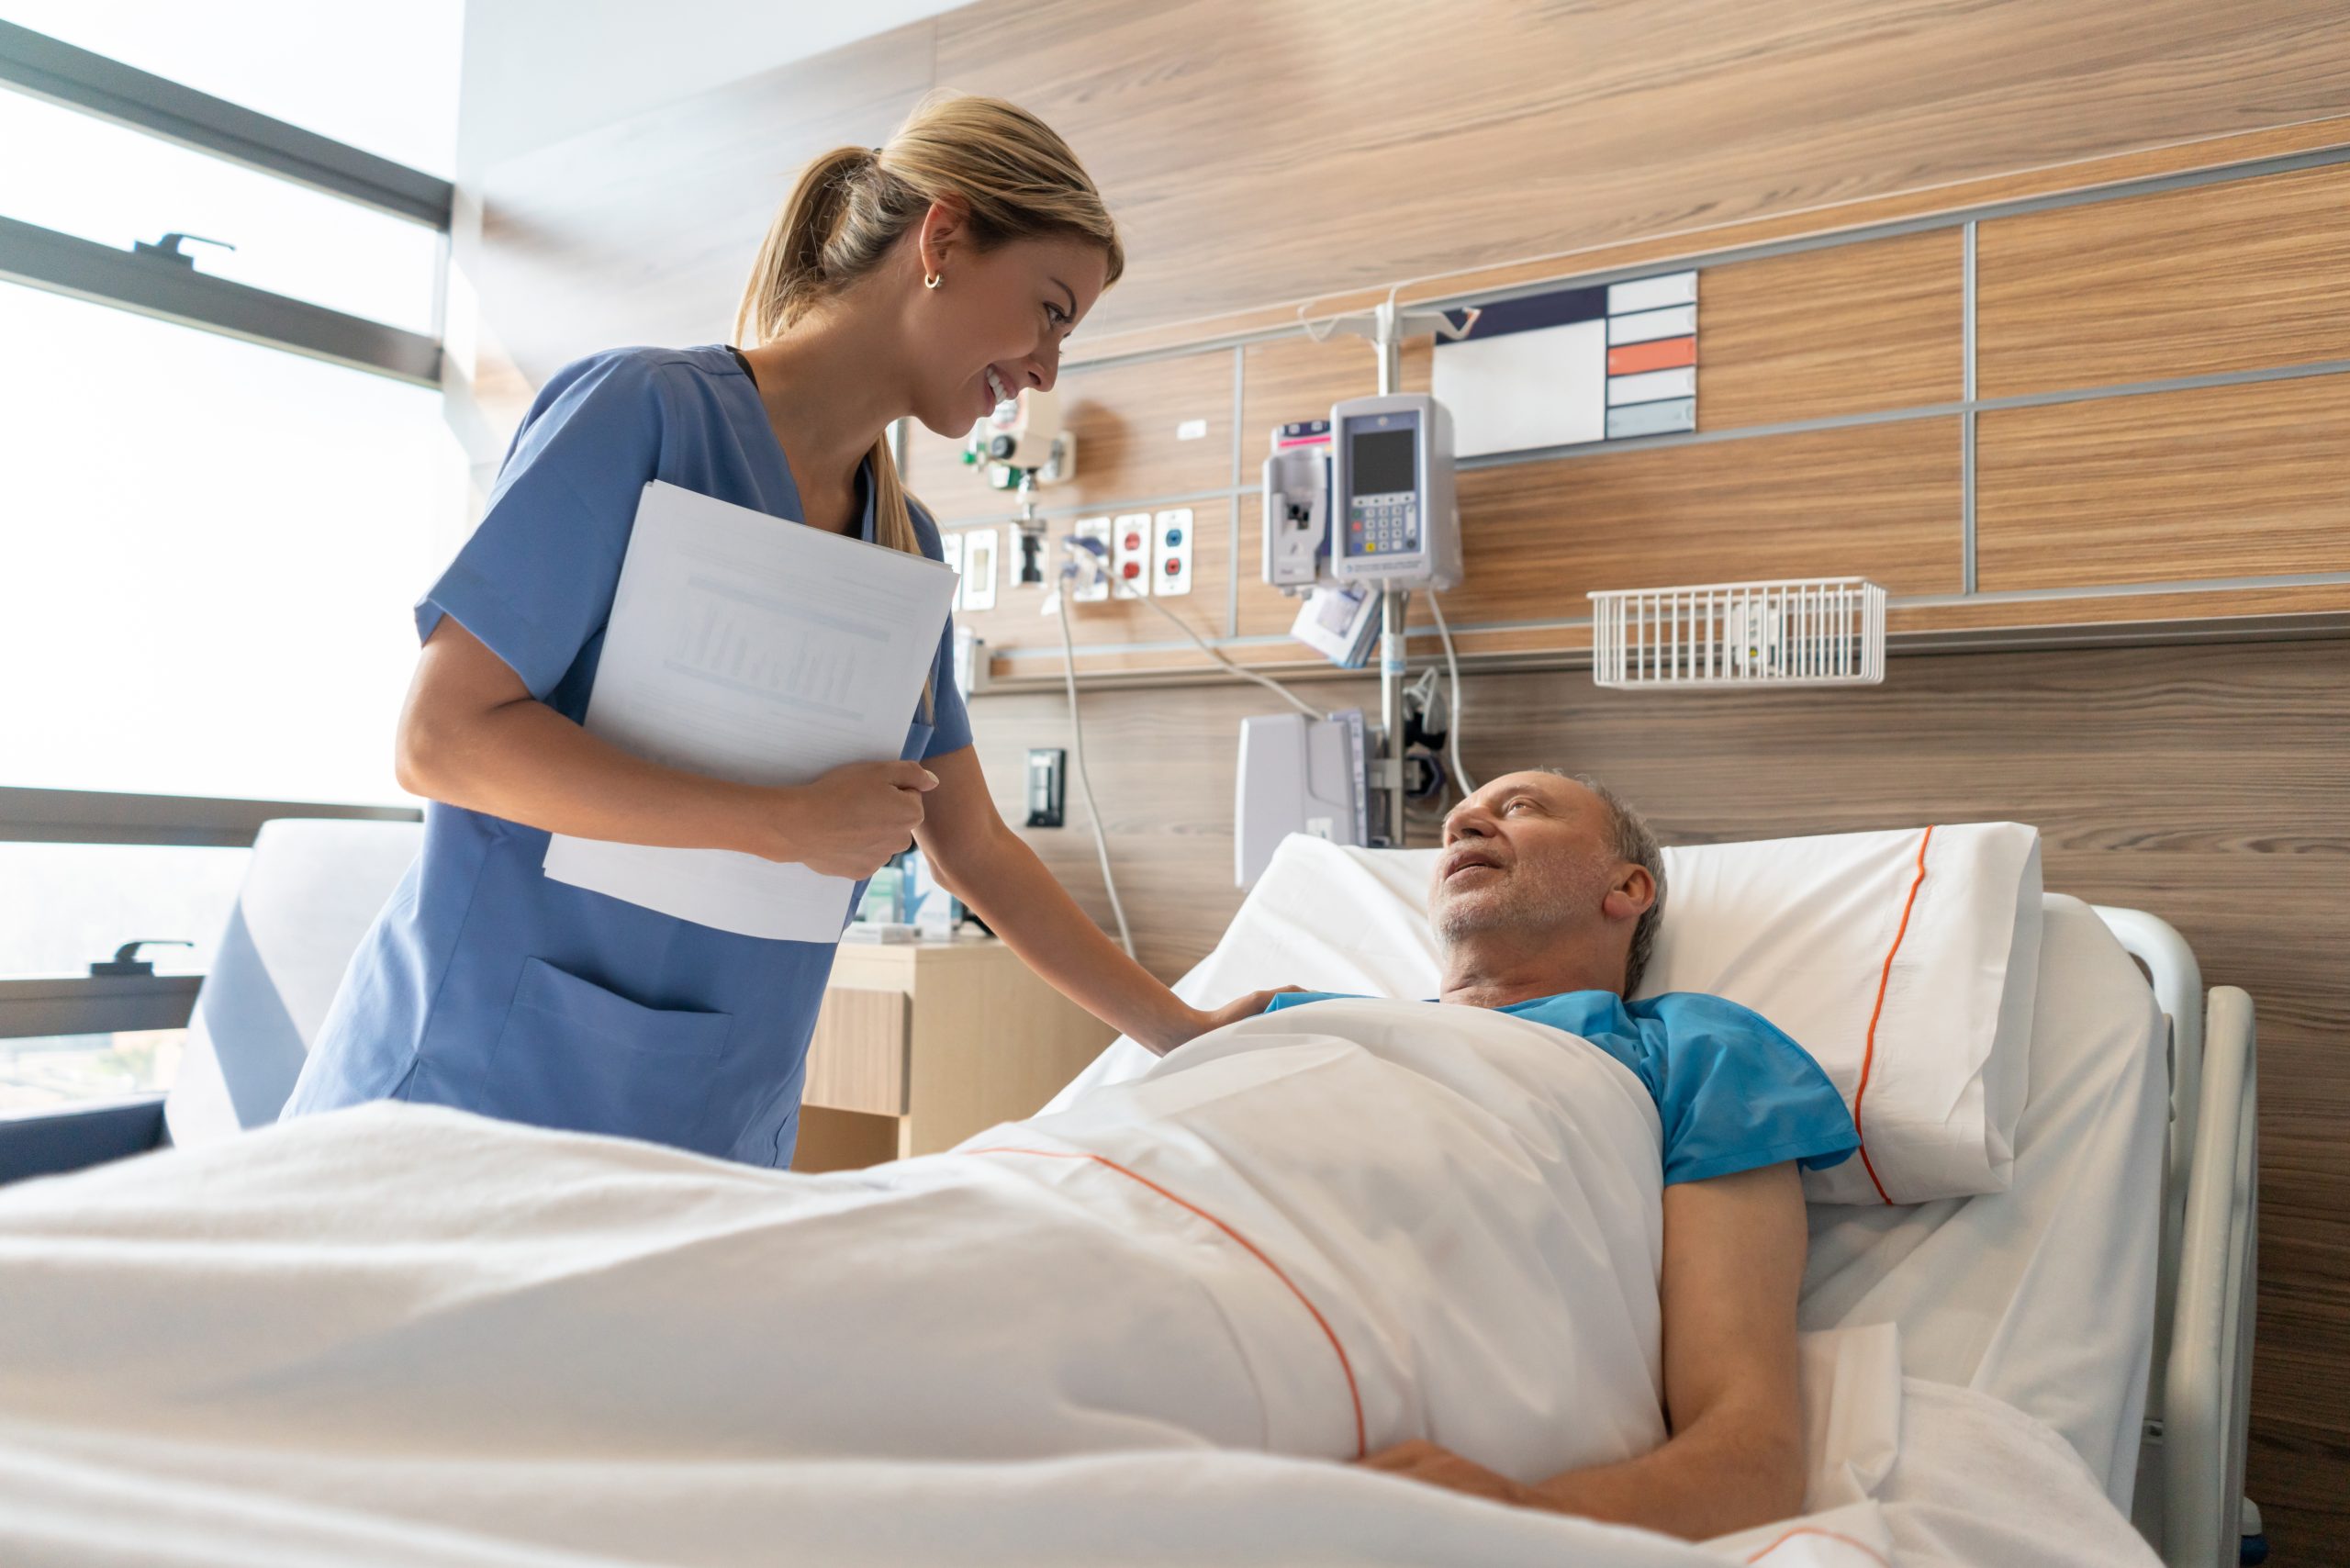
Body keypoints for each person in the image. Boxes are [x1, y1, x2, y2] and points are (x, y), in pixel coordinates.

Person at [280, 94, 1283, 1165]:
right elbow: (442, 739)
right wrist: (777, 822)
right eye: (1048, 308)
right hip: (485, 1082)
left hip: (712, 1117)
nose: (1047, 368)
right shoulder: (643, 416)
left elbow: (974, 845)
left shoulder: (903, 550)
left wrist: (1181, 1031)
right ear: (940, 240)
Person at [1260, 768, 1860, 1538]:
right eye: (1458, 819)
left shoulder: (1693, 1047)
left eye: (1518, 808)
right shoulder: (1315, 1020)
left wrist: (1520, 1518)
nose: (1462, 826)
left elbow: (1747, 1449)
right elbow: (1173, 1035)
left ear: (1627, 886)